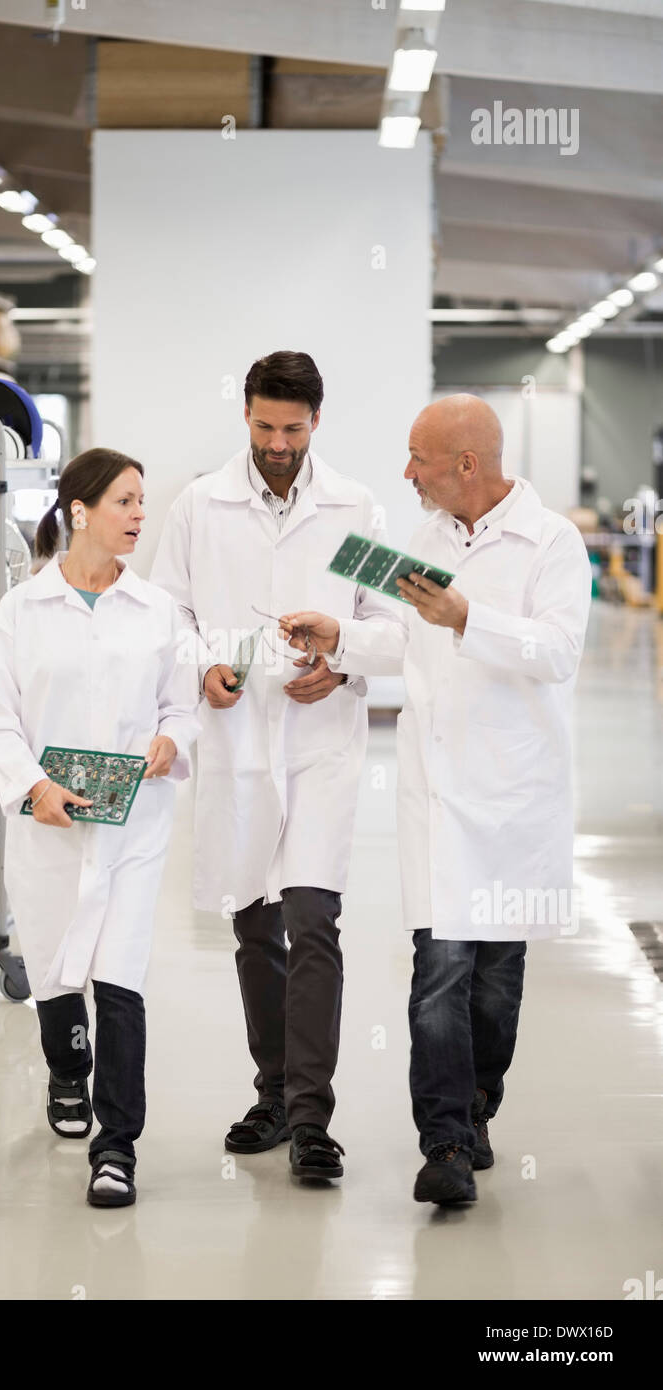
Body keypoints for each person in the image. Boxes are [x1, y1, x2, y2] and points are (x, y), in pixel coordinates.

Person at [279, 394, 592, 1204]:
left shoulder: (552, 542)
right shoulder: (419, 539)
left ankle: (480, 1107)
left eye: (419, 458)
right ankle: (445, 1143)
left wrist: (467, 616)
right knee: (440, 971)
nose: (406, 472)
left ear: (466, 465)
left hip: (515, 799)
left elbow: (558, 652)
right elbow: (401, 638)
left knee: (496, 982)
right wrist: (339, 638)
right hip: (437, 798)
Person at [150, 351, 403, 1181]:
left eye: (292, 430)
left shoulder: (355, 507)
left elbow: (395, 621)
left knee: (313, 920)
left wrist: (348, 661)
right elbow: (171, 610)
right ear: (246, 417)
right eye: (263, 427)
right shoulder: (199, 505)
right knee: (254, 925)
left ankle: (310, 1119)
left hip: (321, 743)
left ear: (316, 423)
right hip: (236, 746)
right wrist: (200, 668)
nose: (276, 443)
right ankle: (271, 1093)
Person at [0, 448, 199, 1208]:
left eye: (142, 503)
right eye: (126, 503)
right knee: (56, 969)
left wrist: (174, 740)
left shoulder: (157, 609)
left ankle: (117, 1147)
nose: (140, 517)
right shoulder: (20, 612)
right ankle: (68, 1073)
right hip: (49, 824)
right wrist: (32, 786)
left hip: (131, 825)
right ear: (79, 511)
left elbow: (180, 703)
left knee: (121, 975)